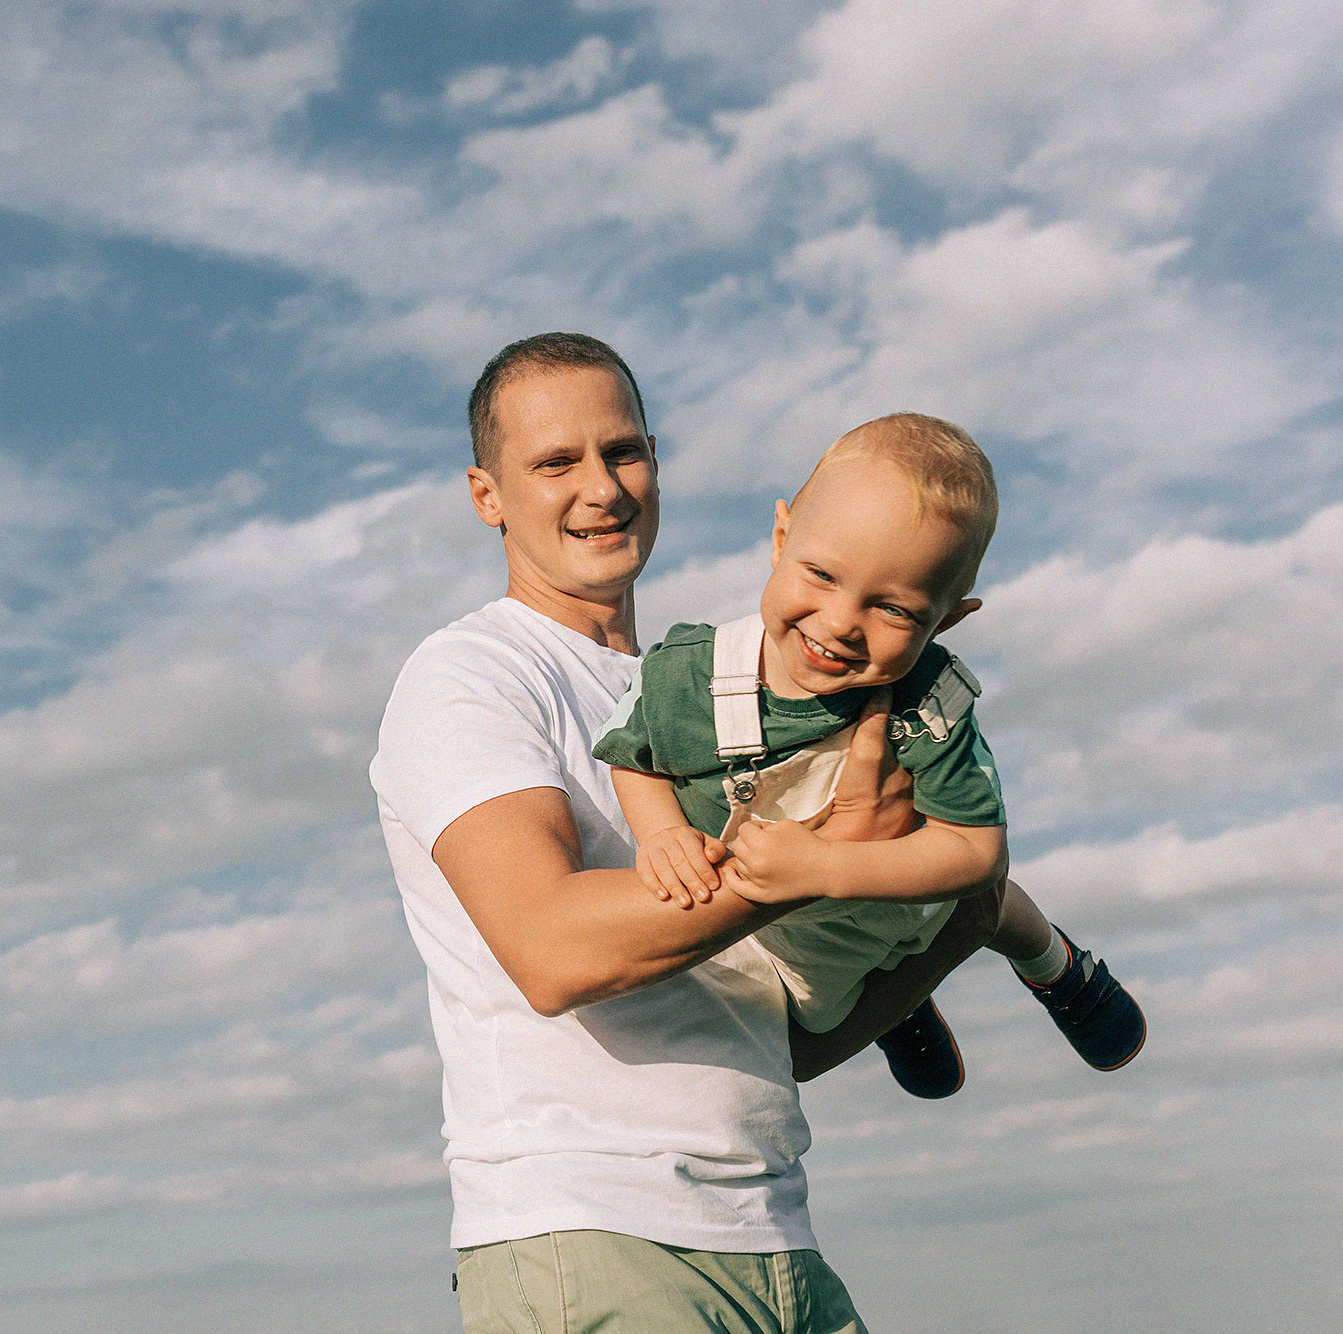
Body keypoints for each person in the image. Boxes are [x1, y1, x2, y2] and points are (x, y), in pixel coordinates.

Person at [370, 333, 1003, 1334]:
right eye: (554, 462)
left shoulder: (710, 691)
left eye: (621, 452)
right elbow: (549, 947)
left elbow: (776, 1036)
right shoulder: (472, 675)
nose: (601, 487)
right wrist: (813, 863)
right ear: (487, 495)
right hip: (590, 1232)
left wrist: (952, 923)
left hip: (771, 1228)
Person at [593, 414, 1145, 1099]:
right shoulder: (689, 674)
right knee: (817, 1013)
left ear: (945, 620)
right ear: (780, 537)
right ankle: (901, 1005)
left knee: (985, 900)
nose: (840, 622)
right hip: (796, 942)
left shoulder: (923, 702)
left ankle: (1056, 966)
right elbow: (634, 755)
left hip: (903, 890)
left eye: (894, 610)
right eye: (820, 574)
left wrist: (827, 865)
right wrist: (664, 832)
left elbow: (975, 852)